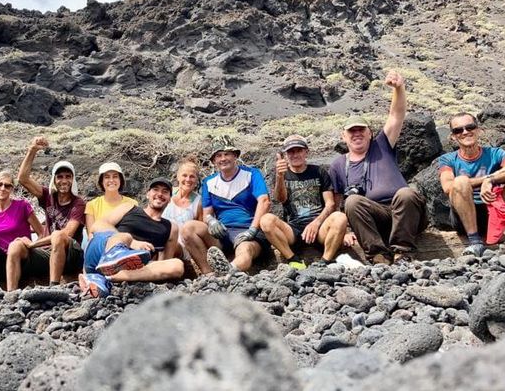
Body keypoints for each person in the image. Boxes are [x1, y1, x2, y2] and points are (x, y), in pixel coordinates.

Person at [328, 71, 426, 265]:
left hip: (406, 213)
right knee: (353, 201)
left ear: (370, 133)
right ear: (344, 136)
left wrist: (399, 88)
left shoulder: (382, 145)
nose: (356, 134)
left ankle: (403, 253)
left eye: (361, 130)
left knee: (407, 193)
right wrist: (344, 231)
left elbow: (396, 115)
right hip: (374, 219)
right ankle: (378, 256)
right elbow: (337, 203)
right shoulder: (338, 165)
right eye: (351, 131)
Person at [438, 112, 505, 256]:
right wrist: (483, 181)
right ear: (453, 136)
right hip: (464, 217)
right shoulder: (447, 159)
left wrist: (491, 180)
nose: (465, 132)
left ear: (478, 130)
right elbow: (447, 187)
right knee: (460, 182)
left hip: (493, 210)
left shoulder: (495, 154)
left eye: (469, 127)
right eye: (458, 130)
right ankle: (474, 242)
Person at [78, 178, 185, 297]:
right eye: (155, 190)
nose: (159, 194)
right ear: (148, 194)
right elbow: (97, 226)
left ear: (170, 199)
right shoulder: (129, 207)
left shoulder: (171, 228)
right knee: (125, 236)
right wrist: (132, 243)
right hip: (101, 249)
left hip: (129, 268)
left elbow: (162, 262)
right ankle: (113, 260)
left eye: (165, 191)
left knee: (177, 265)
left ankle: (103, 280)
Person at [259, 135, 354, 269]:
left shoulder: (319, 171)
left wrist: (316, 223)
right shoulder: (282, 174)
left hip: (320, 227)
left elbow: (330, 204)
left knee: (339, 217)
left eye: (299, 150)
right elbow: (280, 199)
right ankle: (293, 259)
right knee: (266, 220)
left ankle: (325, 261)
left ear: (306, 152)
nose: (295, 154)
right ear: (285, 155)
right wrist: (280, 176)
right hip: (293, 228)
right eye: (291, 152)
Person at [181, 136, 271, 274]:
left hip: (248, 231)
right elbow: (207, 214)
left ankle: (229, 271)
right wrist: (211, 221)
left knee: (245, 249)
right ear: (214, 160)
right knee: (188, 228)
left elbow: (264, 201)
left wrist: (252, 230)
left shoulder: (252, 174)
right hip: (222, 234)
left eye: (226, 154)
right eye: (218, 155)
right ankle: (209, 273)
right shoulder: (209, 182)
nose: (223, 159)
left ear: (235, 156)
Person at [10, 136, 87, 289]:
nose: (63, 180)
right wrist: (32, 150)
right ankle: (11, 293)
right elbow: (23, 179)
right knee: (16, 245)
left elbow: (68, 233)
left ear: (72, 180)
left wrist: (33, 244)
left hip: (71, 253)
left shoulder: (78, 203)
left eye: (67, 177)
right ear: (54, 179)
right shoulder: (47, 196)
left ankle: (54, 287)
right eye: (59, 177)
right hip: (48, 252)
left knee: (58, 235)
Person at [0, 170, 45, 287]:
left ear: (12, 189)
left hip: (23, 256)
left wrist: (32, 244)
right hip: (3, 258)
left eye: (7, 186)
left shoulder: (22, 206)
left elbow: (42, 233)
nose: (3, 188)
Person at [161, 157, 203, 256]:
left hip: (181, 246)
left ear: (197, 179)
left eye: (192, 176)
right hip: (159, 236)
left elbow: (200, 231)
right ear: (178, 177)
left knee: (166, 244)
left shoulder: (199, 202)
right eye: (184, 175)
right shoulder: (166, 193)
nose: (188, 180)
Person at [84, 162, 138, 238]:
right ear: (101, 181)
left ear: (120, 180)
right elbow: (91, 235)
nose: (111, 180)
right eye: (107, 177)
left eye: (115, 176)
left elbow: (135, 231)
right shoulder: (92, 205)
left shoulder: (132, 203)